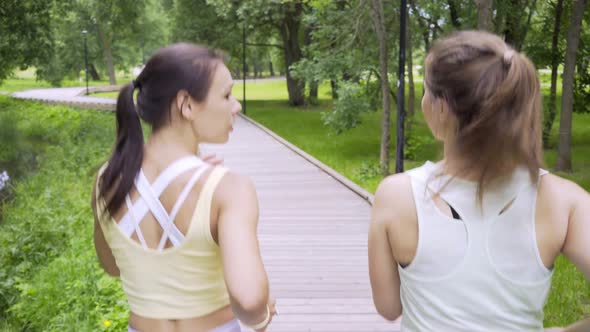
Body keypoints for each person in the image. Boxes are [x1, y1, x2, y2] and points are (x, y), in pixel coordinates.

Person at [368, 30, 590, 332]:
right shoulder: (564, 201)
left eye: (426, 91)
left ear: (441, 107)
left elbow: (388, 306)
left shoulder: (396, 195)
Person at [91, 43, 276, 332]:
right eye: (226, 95)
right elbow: (250, 300)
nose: (236, 106)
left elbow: (112, 266)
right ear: (186, 104)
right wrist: (262, 316)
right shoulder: (229, 189)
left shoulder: (107, 179)